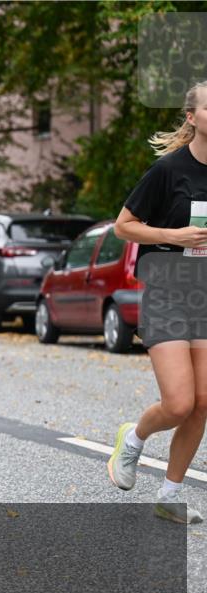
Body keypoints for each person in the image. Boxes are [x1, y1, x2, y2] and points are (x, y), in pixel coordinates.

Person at [108, 81, 207, 525]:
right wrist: (173, 235)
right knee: (180, 403)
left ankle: (170, 494)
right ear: (192, 118)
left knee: (204, 403)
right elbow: (123, 227)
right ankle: (133, 437)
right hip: (167, 290)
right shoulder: (169, 171)